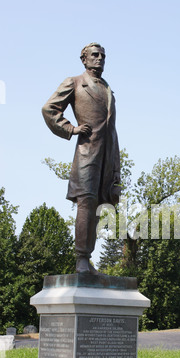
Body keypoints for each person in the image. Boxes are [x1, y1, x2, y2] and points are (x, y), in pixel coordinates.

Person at [42, 42, 120, 274]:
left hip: (107, 157)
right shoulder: (74, 82)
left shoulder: (108, 89)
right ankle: (82, 260)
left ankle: (88, 260)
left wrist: (116, 168)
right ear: (84, 59)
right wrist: (70, 128)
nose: (99, 59)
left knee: (96, 207)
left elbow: (113, 131)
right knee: (86, 203)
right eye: (94, 55)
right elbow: (49, 109)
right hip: (87, 154)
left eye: (103, 56)